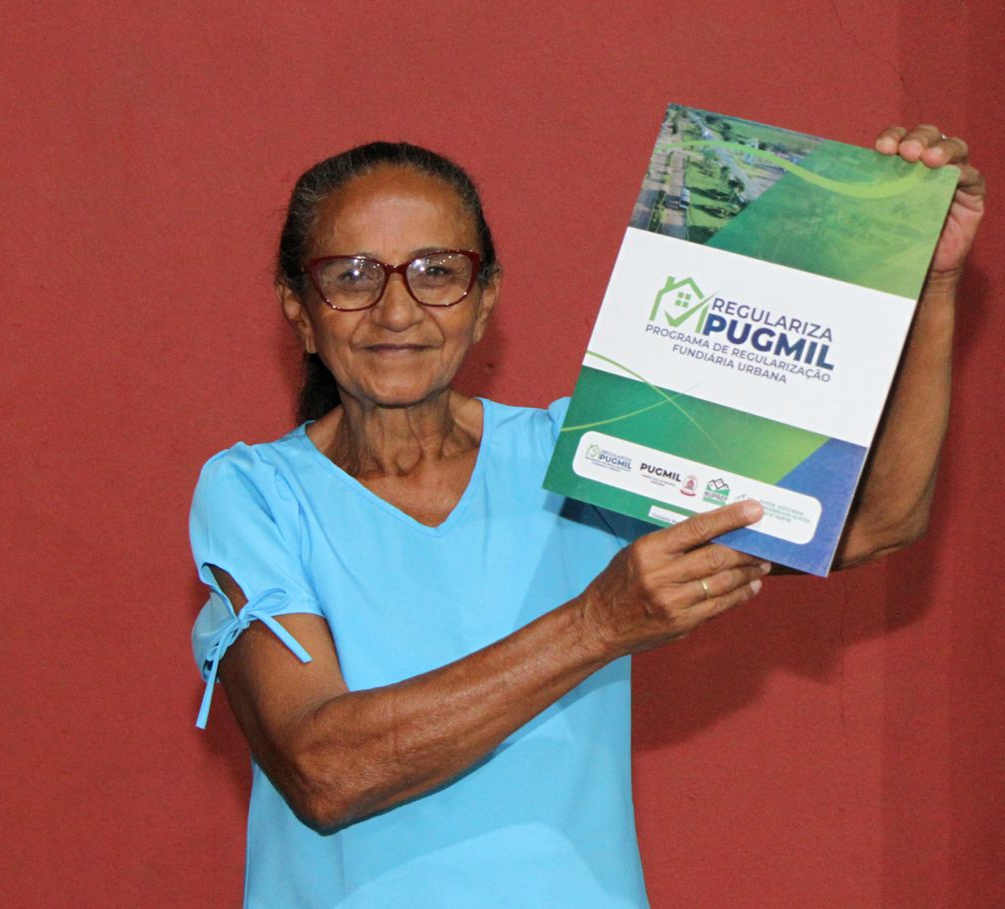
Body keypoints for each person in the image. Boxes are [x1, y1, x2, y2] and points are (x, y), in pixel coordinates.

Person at [187, 127, 984, 907]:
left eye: (438, 270)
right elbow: (326, 771)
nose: (398, 311)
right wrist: (599, 624)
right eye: (353, 274)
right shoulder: (254, 491)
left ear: (486, 297)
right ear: (298, 308)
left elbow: (877, 519)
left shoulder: (594, 453)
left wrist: (936, 287)